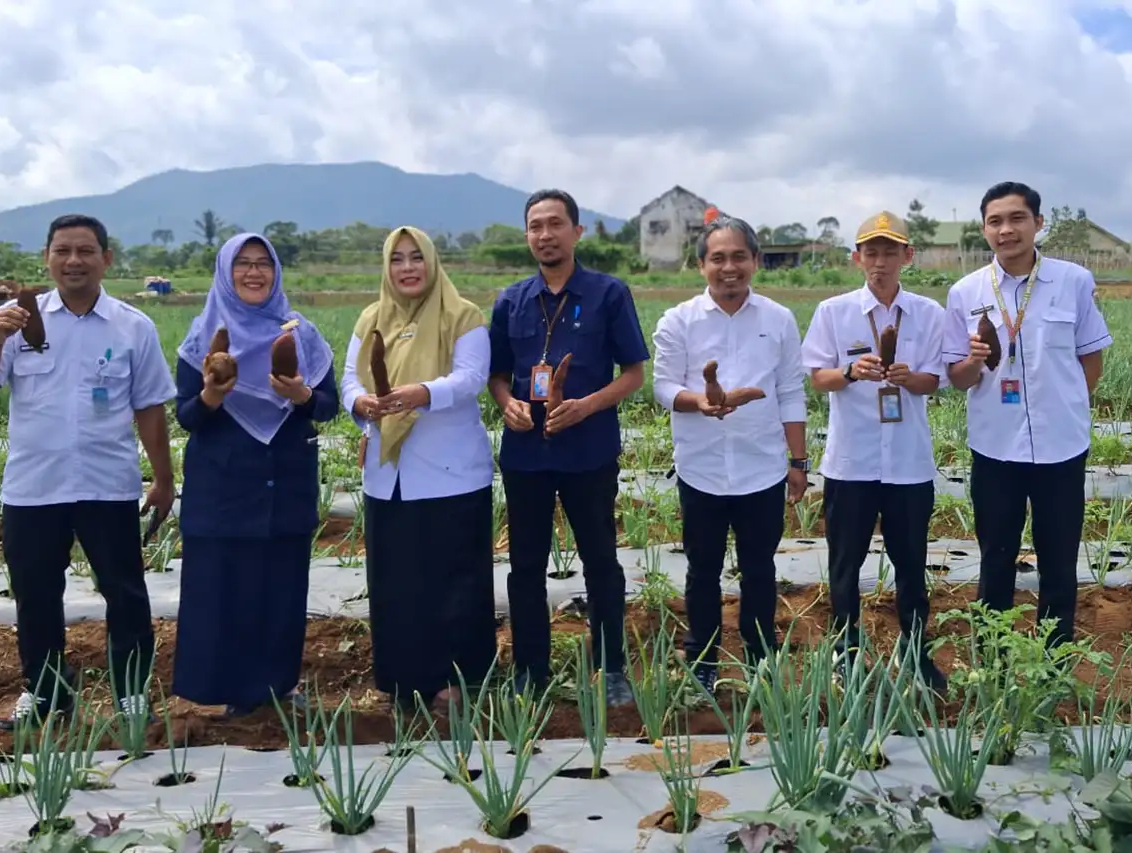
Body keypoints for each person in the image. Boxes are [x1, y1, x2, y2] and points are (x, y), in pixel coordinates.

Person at [0, 214, 177, 730]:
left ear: (106, 259)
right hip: (34, 487)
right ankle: (46, 692)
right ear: (47, 258)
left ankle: (130, 695)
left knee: (124, 592)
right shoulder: (15, 321)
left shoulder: (132, 326)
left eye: (85, 251)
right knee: (35, 595)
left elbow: (149, 408)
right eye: (62, 251)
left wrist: (164, 480)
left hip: (108, 484)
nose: (73, 260)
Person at [488, 189, 650, 706]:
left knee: (601, 560)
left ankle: (611, 667)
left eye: (555, 224)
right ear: (526, 236)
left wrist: (587, 406)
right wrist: (507, 403)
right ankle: (529, 669)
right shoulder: (511, 301)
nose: (545, 235)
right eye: (536, 226)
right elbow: (496, 375)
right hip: (526, 455)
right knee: (525, 566)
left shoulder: (608, 294)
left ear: (576, 232)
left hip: (589, 451)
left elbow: (633, 374)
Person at [172, 233, 338, 717]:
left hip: (285, 479)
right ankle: (231, 692)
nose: (253, 272)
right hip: (223, 484)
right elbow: (186, 415)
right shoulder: (204, 338)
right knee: (225, 585)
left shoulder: (300, 334)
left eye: (263, 263)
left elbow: (327, 405)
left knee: (281, 587)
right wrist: (212, 395)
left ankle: (279, 685)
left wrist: (301, 395)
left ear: (276, 271)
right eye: (242, 263)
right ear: (225, 273)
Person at [942, 181, 1112, 648]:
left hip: (1062, 446)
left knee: (1059, 558)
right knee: (995, 555)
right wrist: (974, 360)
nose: (1006, 230)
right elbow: (958, 378)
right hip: (995, 445)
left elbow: (1091, 359)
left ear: (1038, 223)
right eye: (995, 221)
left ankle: (1054, 659)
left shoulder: (1073, 282)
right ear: (984, 229)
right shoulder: (965, 291)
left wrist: (1065, 405)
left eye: (1017, 218)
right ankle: (992, 657)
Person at [341, 225, 497, 713]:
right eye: (397, 259)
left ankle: (454, 681)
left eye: (416, 257)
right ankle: (402, 680)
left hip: (450, 474)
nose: (407, 267)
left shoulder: (462, 315)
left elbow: (470, 379)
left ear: (432, 262)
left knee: (454, 580)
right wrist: (361, 403)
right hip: (389, 476)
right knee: (397, 582)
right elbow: (349, 379)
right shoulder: (371, 319)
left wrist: (421, 393)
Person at [651, 214, 808, 693]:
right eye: (718, 258)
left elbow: (790, 392)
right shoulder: (678, 321)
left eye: (739, 256)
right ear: (701, 265)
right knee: (703, 568)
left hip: (762, 467)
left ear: (756, 261)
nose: (729, 267)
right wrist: (699, 401)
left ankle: (759, 649)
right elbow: (662, 387)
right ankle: (703, 654)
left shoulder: (778, 319)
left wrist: (798, 462)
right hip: (701, 467)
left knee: (760, 566)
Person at [801, 212, 947, 688]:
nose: (880, 262)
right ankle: (846, 651)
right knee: (845, 564)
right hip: (852, 463)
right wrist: (849, 372)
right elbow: (818, 376)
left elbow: (935, 380)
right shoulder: (834, 311)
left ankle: (916, 650)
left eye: (890, 252)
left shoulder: (929, 313)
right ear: (856, 258)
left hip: (908, 463)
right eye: (871, 252)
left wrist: (910, 378)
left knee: (912, 564)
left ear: (908, 256)